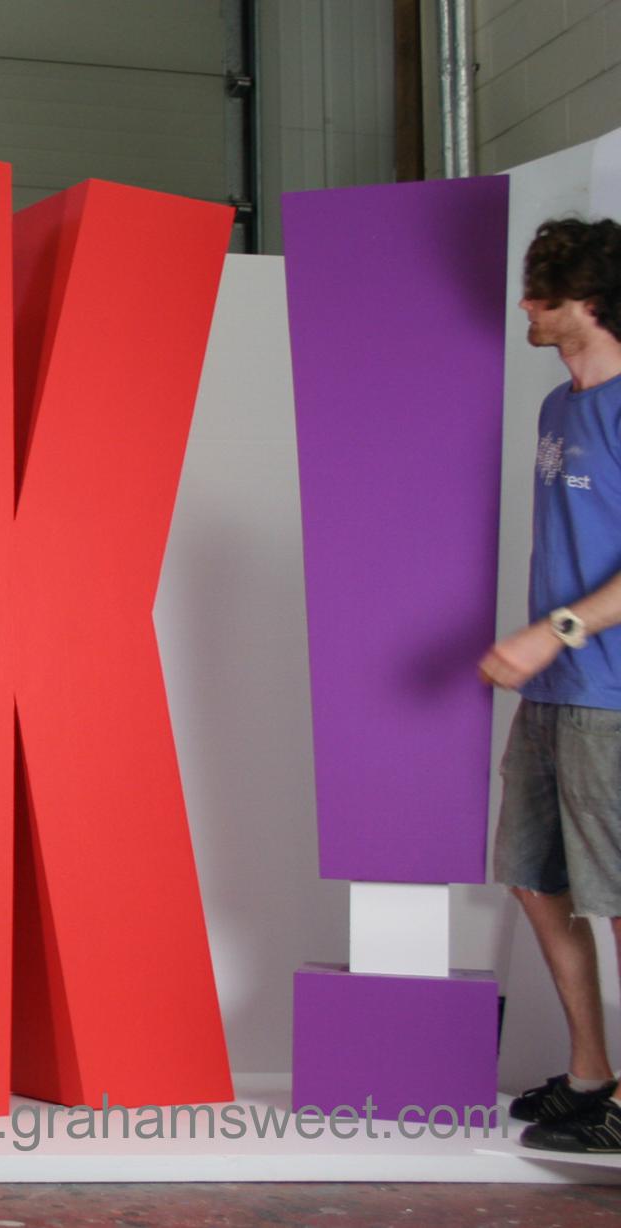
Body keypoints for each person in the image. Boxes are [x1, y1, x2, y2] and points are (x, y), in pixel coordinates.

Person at [480, 218, 621, 1153]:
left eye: (543, 293)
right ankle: (589, 1076)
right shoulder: (554, 407)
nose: (526, 305)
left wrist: (552, 633)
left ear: (592, 306)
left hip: (609, 692)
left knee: (618, 900)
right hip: (552, 692)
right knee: (537, 879)